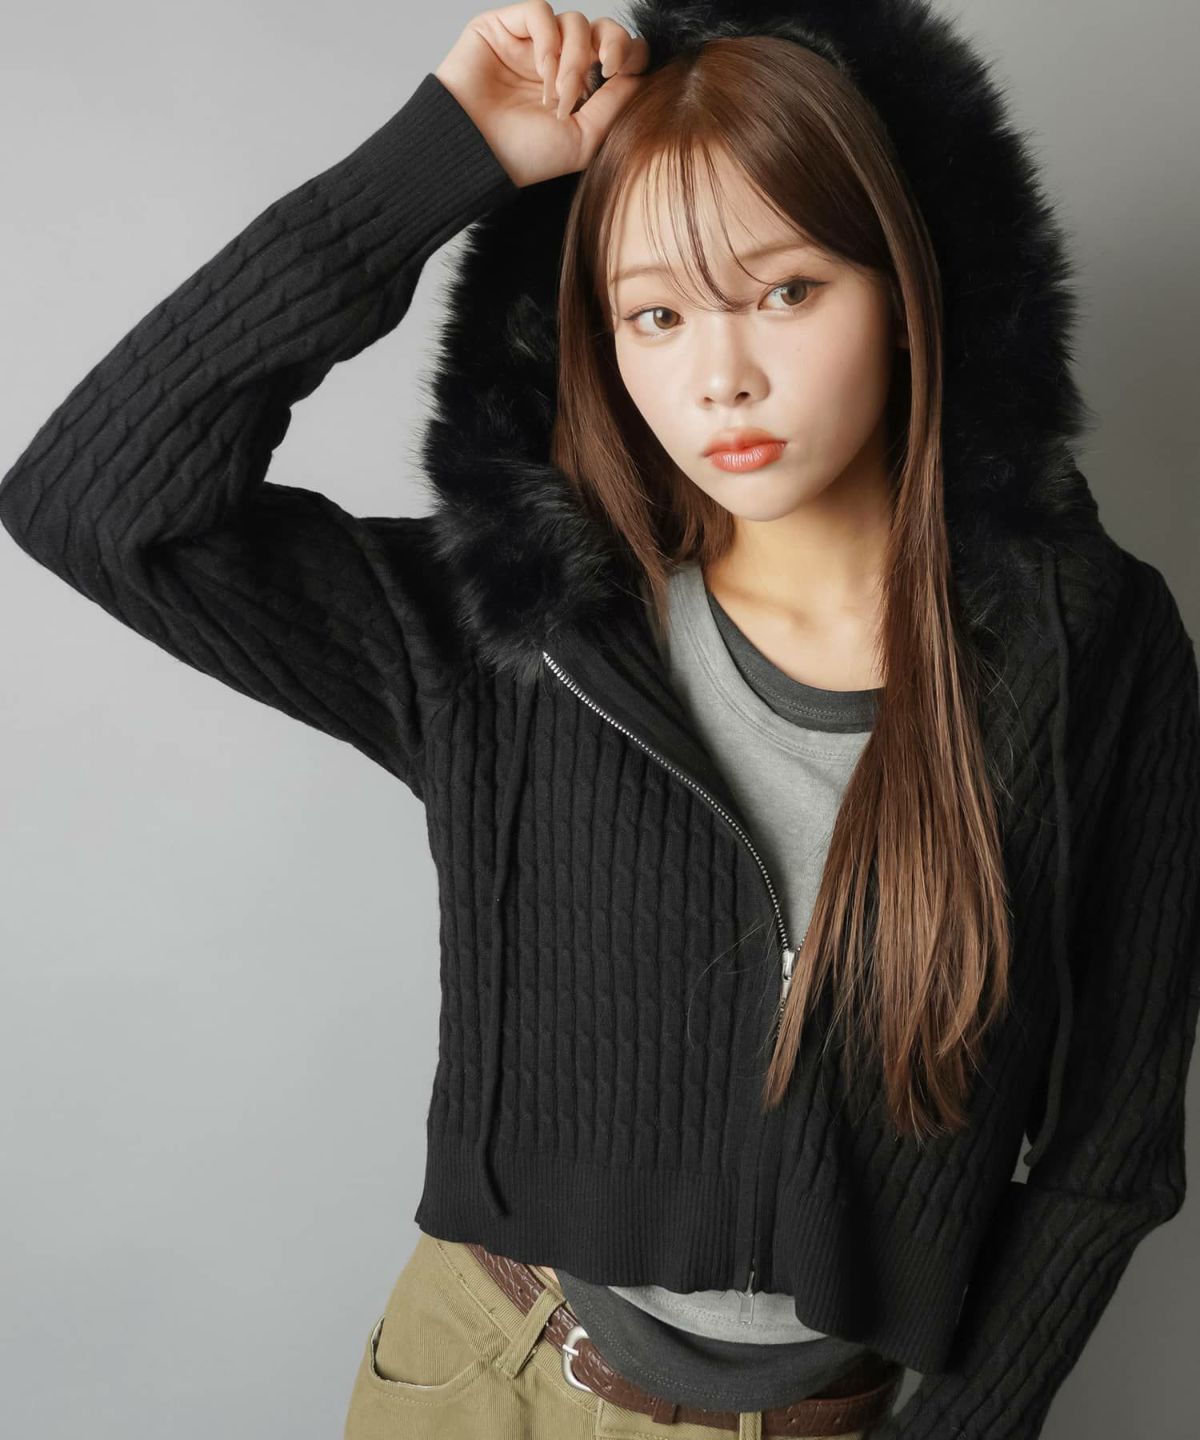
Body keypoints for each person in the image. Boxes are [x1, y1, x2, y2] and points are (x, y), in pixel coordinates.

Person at [2, 1, 1197, 1437]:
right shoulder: (514, 633)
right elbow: (93, 504)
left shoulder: (1088, 650)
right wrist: (435, 161)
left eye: (787, 290)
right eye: (655, 314)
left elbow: (1114, 1143)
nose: (720, 376)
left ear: (908, 286)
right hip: (478, 1379)